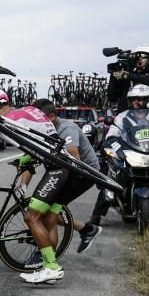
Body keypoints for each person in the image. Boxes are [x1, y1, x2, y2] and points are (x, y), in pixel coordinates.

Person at [0, 90, 87, 282]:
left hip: (57, 168)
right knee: (44, 218)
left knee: (31, 217)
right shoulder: (25, 112)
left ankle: (52, 267)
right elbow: (40, 141)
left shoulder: (11, 119)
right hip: (60, 165)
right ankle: (49, 265)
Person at [99, 85, 149, 232]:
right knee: (109, 182)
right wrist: (114, 147)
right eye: (134, 99)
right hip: (131, 154)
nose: (137, 102)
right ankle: (96, 216)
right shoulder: (123, 116)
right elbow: (112, 134)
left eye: (141, 99)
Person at [31, 99, 104, 253]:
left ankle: (45, 259)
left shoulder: (66, 128)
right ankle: (86, 229)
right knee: (43, 211)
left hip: (83, 174)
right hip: (63, 170)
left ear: (51, 117)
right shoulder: (43, 128)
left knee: (48, 215)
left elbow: (74, 158)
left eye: (39, 119)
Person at [107, 45, 149, 113]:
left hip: (145, 117)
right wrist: (114, 76)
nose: (139, 59)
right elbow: (112, 97)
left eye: (143, 56)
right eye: (137, 56)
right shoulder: (127, 76)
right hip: (124, 118)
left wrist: (127, 76)